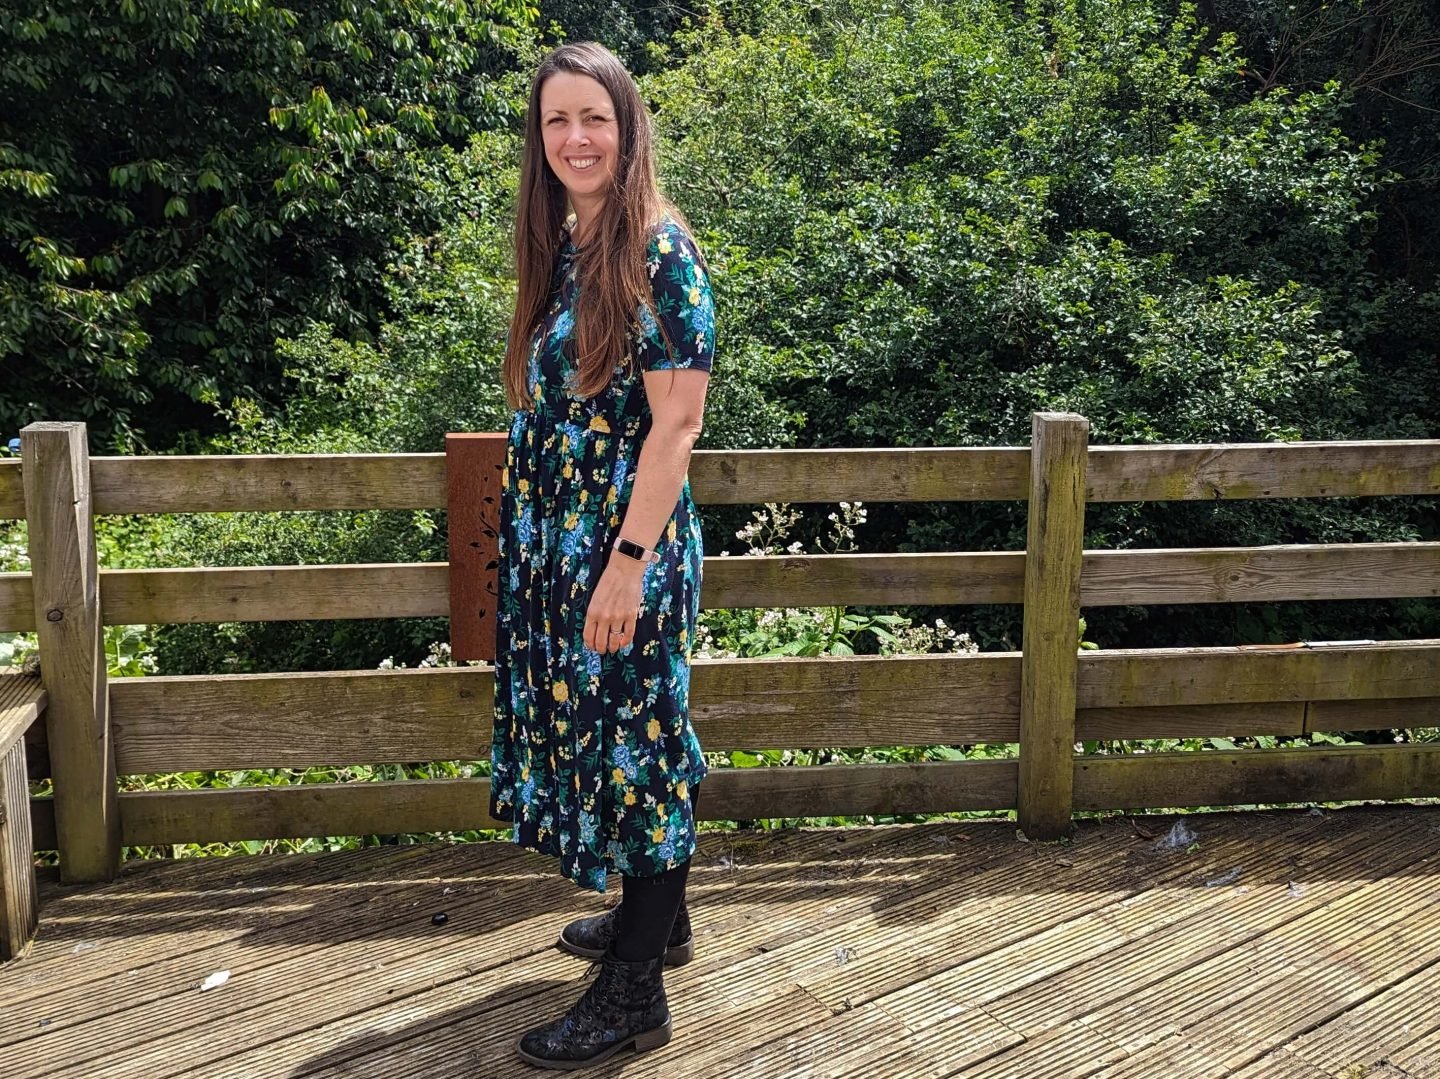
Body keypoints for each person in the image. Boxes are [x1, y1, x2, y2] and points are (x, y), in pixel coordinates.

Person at [488, 40, 715, 1070]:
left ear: (627, 130)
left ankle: (634, 993)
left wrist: (626, 561)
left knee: (641, 748)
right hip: (563, 546)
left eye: (595, 119)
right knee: (628, 732)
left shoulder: (658, 248)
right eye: (556, 122)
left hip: (626, 546)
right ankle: (654, 920)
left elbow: (675, 428)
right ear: (540, 142)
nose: (575, 139)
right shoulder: (570, 240)